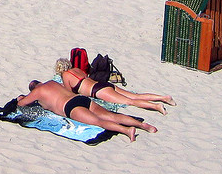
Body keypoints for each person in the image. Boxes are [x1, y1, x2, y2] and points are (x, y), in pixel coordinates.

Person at [16, 79, 156, 142]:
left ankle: (127, 130)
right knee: (110, 115)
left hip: (70, 107)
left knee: (99, 122)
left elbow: (22, 103)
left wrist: (21, 97)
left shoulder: (37, 92)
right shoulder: (52, 83)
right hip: (81, 99)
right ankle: (143, 125)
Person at [55, 59, 175, 114]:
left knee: (130, 101)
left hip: (98, 91)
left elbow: (70, 93)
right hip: (102, 84)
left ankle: (156, 106)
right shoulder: (76, 70)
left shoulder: (65, 76)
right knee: (134, 96)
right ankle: (163, 97)